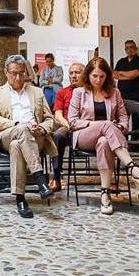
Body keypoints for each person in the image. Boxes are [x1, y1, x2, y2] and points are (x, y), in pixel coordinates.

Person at [67, 57, 139, 215]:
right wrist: (98, 125)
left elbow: (124, 118)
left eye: (102, 76)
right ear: (88, 75)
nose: (98, 80)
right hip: (83, 136)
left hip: (107, 139)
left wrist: (119, 126)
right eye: (94, 76)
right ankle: (133, 168)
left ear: (107, 76)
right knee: (106, 124)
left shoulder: (114, 92)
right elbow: (72, 122)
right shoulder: (79, 92)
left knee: (104, 141)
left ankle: (105, 194)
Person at [0, 54, 57, 218]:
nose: (18, 77)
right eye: (13, 73)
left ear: (26, 72)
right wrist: (19, 125)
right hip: (6, 134)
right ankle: (40, 179)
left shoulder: (37, 92)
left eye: (21, 73)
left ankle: (20, 198)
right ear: (6, 72)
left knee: (17, 146)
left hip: (35, 138)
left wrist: (42, 128)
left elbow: (50, 119)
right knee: (21, 130)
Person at [50, 61, 86, 192]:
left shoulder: (91, 90)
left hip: (87, 126)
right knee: (58, 135)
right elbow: (58, 115)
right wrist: (68, 124)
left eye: (77, 72)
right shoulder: (62, 92)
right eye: (71, 73)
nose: (74, 75)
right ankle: (57, 178)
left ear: (85, 74)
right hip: (68, 126)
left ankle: (109, 179)